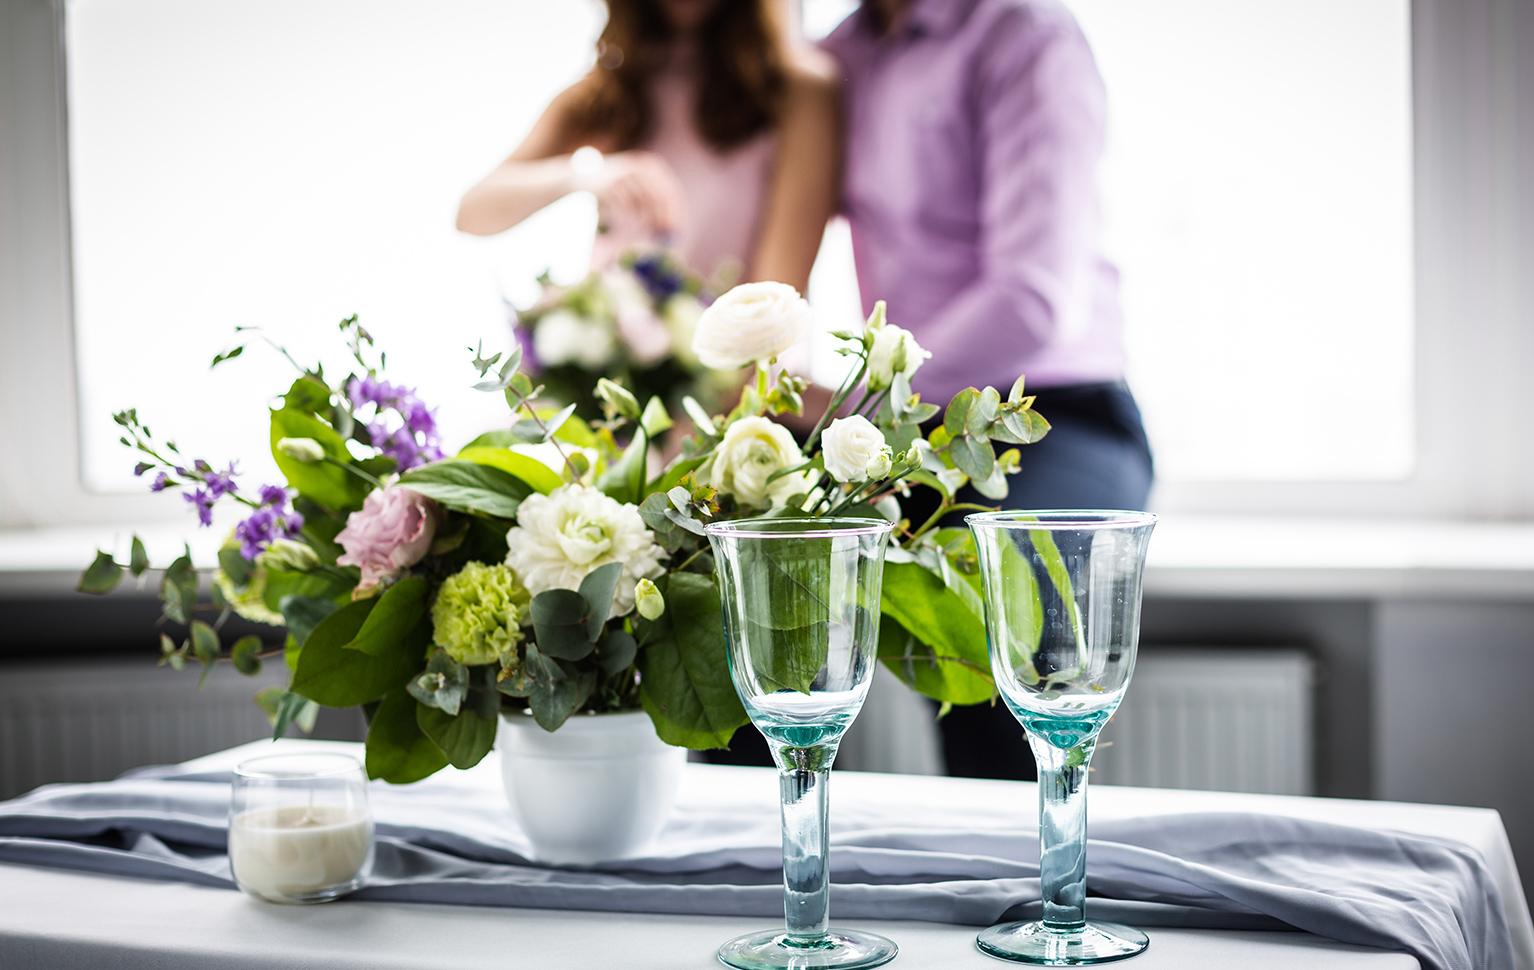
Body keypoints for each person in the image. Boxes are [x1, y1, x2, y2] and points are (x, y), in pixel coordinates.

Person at [822, 0, 1154, 780]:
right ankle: (744, 882)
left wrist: (857, 407)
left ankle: (1034, 896)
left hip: (1055, 409)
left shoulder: (1025, 34)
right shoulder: (835, 58)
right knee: (743, 580)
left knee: (1016, 628)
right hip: (902, 427)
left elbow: (1033, 295)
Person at [456, 0, 838, 294]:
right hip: (614, 374)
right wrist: (585, 177)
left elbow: (775, 298)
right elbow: (473, 213)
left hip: (733, 379)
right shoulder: (612, 90)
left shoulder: (798, 92)